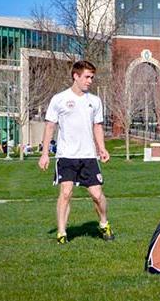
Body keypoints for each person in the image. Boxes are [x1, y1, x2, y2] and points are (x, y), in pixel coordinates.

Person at [38, 60, 114, 244]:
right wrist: (45, 153)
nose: (90, 81)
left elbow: (97, 126)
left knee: (97, 195)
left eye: (92, 77)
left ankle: (104, 223)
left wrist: (102, 148)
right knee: (65, 193)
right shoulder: (59, 99)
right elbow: (50, 126)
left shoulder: (94, 101)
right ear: (76, 76)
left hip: (88, 156)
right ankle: (62, 233)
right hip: (66, 156)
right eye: (87, 77)